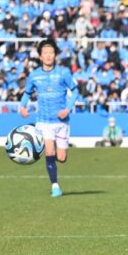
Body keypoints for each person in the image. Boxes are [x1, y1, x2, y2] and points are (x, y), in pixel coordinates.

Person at [19, 38, 79, 197]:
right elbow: (26, 93)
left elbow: (76, 91)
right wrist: (22, 107)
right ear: (40, 56)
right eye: (45, 53)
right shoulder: (34, 75)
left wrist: (67, 109)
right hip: (43, 121)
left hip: (61, 122)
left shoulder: (64, 73)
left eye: (51, 53)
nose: (48, 55)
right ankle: (55, 187)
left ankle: (58, 158)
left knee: (61, 157)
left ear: (55, 55)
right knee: (49, 151)